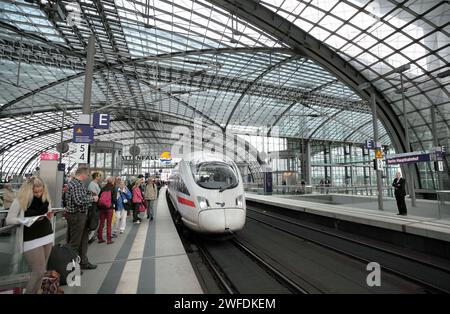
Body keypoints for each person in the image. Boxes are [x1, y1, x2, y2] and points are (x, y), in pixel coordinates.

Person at [6, 177, 54, 293]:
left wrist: (49, 215)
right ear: (28, 190)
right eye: (35, 192)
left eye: (40, 191)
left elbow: (49, 211)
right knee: (37, 270)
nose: (38, 194)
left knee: (42, 271)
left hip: (47, 235)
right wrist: (24, 220)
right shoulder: (20, 200)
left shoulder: (45, 197)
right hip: (30, 238)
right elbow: (9, 219)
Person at [65, 166, 97, 270]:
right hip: (76, 216)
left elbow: (82, 195)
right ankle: (72, 268)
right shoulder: (75, 185)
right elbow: (78, 201)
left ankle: (83, 262)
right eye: (87, 175)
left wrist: (89, 193)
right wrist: (93, 198)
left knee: (83, 240)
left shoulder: (78, 184)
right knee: (75, 243)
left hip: (80, 216)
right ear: (82, 174)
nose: (87, 177)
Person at [97, 177, 116, 244]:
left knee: (101, 223)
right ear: (112, 181)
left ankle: (100, 238)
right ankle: (109, 239)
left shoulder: (103, 188)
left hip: (102, 208)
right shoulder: (113, 188)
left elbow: (99, 198)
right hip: (109, 208)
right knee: (108, 224)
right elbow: (114, 199)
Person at [87, 172, 102, 243]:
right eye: (99, 176)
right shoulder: (92, 184)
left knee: (95, 220)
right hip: (93, 205)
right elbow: (94, 194)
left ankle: (92, 236)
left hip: (96, 204)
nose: (100, 177)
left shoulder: (96, 184)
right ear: (96, 177)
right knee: (93, 221)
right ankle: (89, 238)